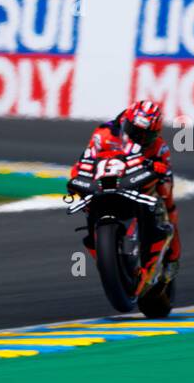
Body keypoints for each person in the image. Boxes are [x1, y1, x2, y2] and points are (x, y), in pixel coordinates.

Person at [68, 99, 182, 267]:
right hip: (110, 178)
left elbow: (166, 170)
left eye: (146, 135)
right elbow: (86, 159)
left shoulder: (158, 146)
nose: (139, 137)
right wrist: (78, 177)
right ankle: (95, 236)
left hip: (139, 181)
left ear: (155, 134)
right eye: (135, 131)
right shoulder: (104, 133)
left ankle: (171, 254)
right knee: (81, 186)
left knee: (167, 198)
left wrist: (158, 168)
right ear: (125, 122)